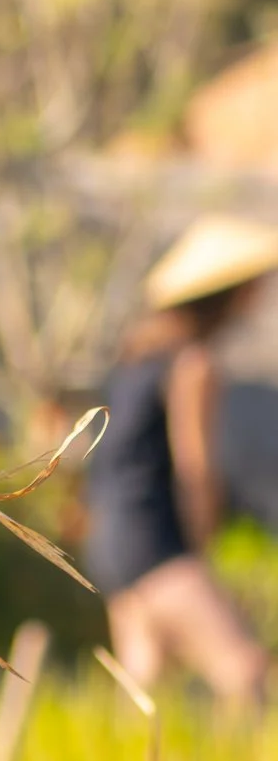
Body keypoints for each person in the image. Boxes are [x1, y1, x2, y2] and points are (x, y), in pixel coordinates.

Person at [84, 216, 278, 703]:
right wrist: (199, 548)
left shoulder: (138, 355)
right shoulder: (195, 364)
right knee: (246, 670)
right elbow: (196, 467)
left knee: (147, 687)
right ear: (232, 293)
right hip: (153, 539)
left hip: (109, 538)